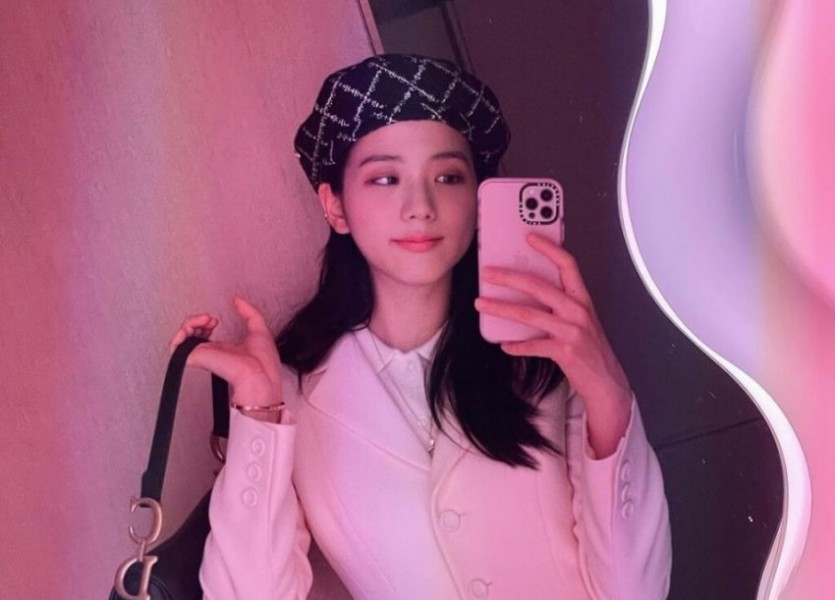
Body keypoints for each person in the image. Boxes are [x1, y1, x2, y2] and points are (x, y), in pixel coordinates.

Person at [169, 54, 672, 599]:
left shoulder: (548, 360)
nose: (420, 206)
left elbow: (635, 592)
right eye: (386, 178)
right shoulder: (294, 395)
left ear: (478, 199)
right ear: (335, 206)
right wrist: (258, 409)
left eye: (448, 177)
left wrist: (607, 390)